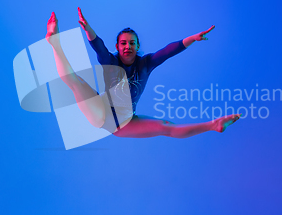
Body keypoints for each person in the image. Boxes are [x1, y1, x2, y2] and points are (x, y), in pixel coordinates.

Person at [45, 8, 240, 139]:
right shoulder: (110, 61)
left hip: (125, 123)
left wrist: (192, 39)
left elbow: (169, 50)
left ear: (138, 46)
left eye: (132, 43)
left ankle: (213, 125)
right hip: (102, 112)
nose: (127, 46)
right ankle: (54, 43)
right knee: (74, 81)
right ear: (117, 47)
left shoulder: (146, 63)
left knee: (166, 126)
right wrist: (88, 29)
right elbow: (99, 47)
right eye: (123, 43)